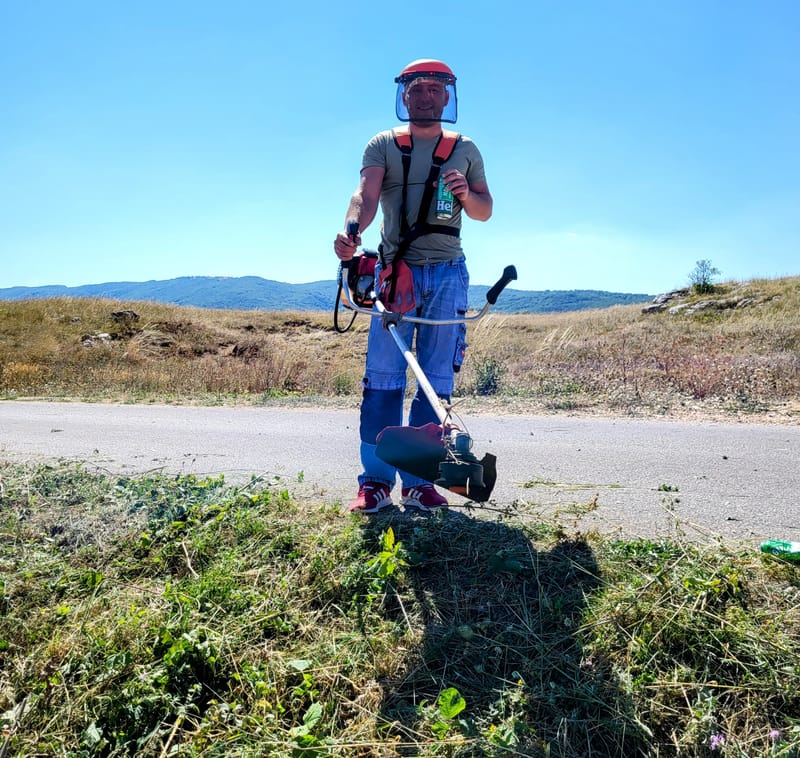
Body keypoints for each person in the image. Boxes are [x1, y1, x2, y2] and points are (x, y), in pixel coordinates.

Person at [333, 58, 493, 514]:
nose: (424, 96)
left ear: (447, 96)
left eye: (433, 89)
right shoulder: (383, 144)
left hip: (447, 273)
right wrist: (351, 229)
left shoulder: (467, 149)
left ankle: (421, 483)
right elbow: (364, 194)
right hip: (394, 273)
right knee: (383, 380)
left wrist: (466, 194)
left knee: (435, 381)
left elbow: (484, 210)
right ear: (405, 96)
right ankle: (376, 482)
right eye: (416, 89)